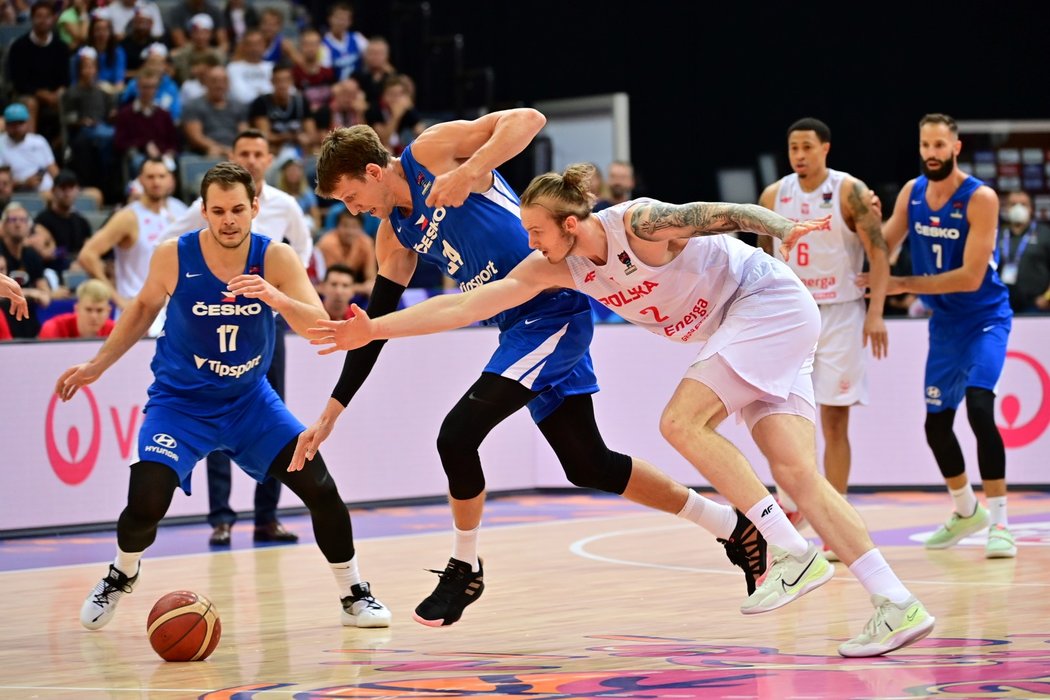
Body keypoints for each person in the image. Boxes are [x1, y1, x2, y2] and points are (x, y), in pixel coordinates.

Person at [307, 160, 938, 658]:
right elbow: (462, 307)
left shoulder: (636, 223)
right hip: (757, 328)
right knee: (799, 475)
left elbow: (717, 214)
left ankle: (789, 551)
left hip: (764, 303)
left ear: (572, 223)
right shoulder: (556, 267)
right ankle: (896, 601)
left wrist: (778, 226)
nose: (528, 243)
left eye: (535, 231)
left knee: (680, 423)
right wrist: (374, 330)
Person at [292, 115, 793, 631]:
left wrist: (474, 170)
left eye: (352, 197)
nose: (352, 211)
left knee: (456, 437)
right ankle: (733, 526)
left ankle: (466, 566)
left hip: (552, 309)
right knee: (587, 463)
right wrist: (332, 412)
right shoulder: (393, 237)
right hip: (515, 323)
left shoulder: (431, 153)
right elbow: (370, 330)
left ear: (374, 172)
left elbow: (528, 120)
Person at [58, 162, 390, 631]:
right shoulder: (173, 256)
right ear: (204, 211)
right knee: (146, 501)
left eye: (238, 209)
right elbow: (140, 311)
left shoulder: (275, 257)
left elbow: (317, 327)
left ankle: (354, 593)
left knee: (320, 488)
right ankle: (122, 572)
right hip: (180, 403)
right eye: (218, 211)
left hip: (249, 403)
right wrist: (96, 365)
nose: (229, 219)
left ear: (255, 207)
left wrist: (275, 297)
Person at [868, 113, 1016, 558]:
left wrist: (901, 284)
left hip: (985, 317)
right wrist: (864, 221)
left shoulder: (980, 198)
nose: (931, 153)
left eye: (939, 145)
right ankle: (966, 509)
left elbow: (971, 278)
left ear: (956, 147)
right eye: (925, 145)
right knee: (935, 425)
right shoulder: (913, 194)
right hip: (945, 325)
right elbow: (882, 247)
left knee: (979, 407)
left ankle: (1001, 523)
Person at [165, 129, 313, 546]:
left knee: (273, 416)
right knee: (215, 410)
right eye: (243, 152)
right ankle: (221, 518)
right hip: (211, 323)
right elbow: (166, 243)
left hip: (264, 321)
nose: (251, 157)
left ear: (269, 157)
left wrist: (281, 291)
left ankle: (267, 516)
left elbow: (303, 249)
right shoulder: (211, 206)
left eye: (258, 152)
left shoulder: (284, 205)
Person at [758, 118, 890, 559]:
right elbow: (760, 262)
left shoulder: (850, 191)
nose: (799, 154)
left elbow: (879, 252)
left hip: (841, 313)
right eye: (793, 146)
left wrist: (875, 313)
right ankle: (793, 507)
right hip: (792, 314)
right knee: (784, 415)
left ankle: (834, 523)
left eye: (807, 146)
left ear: (825, 149)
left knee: (834, 420)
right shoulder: (773, 196)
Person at [78, 158, 186, 310]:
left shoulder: (180, 210)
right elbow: (87, 255)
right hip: (136, 307)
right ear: (140, 180)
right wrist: (117, 299)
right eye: (150, 177)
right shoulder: (128, 217)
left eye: (161, 176)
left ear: (170, 179)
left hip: (170, 308)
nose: (156, 182)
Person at [998, 190, 1050, 313]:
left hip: (1036, 305)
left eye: (1023, 204)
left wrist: (1047, 298)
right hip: (1002, 304)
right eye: (1013, 204)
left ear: (1031, 209)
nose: (1018, 208)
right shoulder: (997, 236)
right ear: (1005, 208)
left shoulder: (1045, 234)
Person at [38, 278, 115, 339]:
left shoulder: (115, 332)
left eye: (99, 310)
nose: (93, 316)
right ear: (77, 309)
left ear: (108, 311)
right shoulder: (54, 329)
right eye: (88, 310)